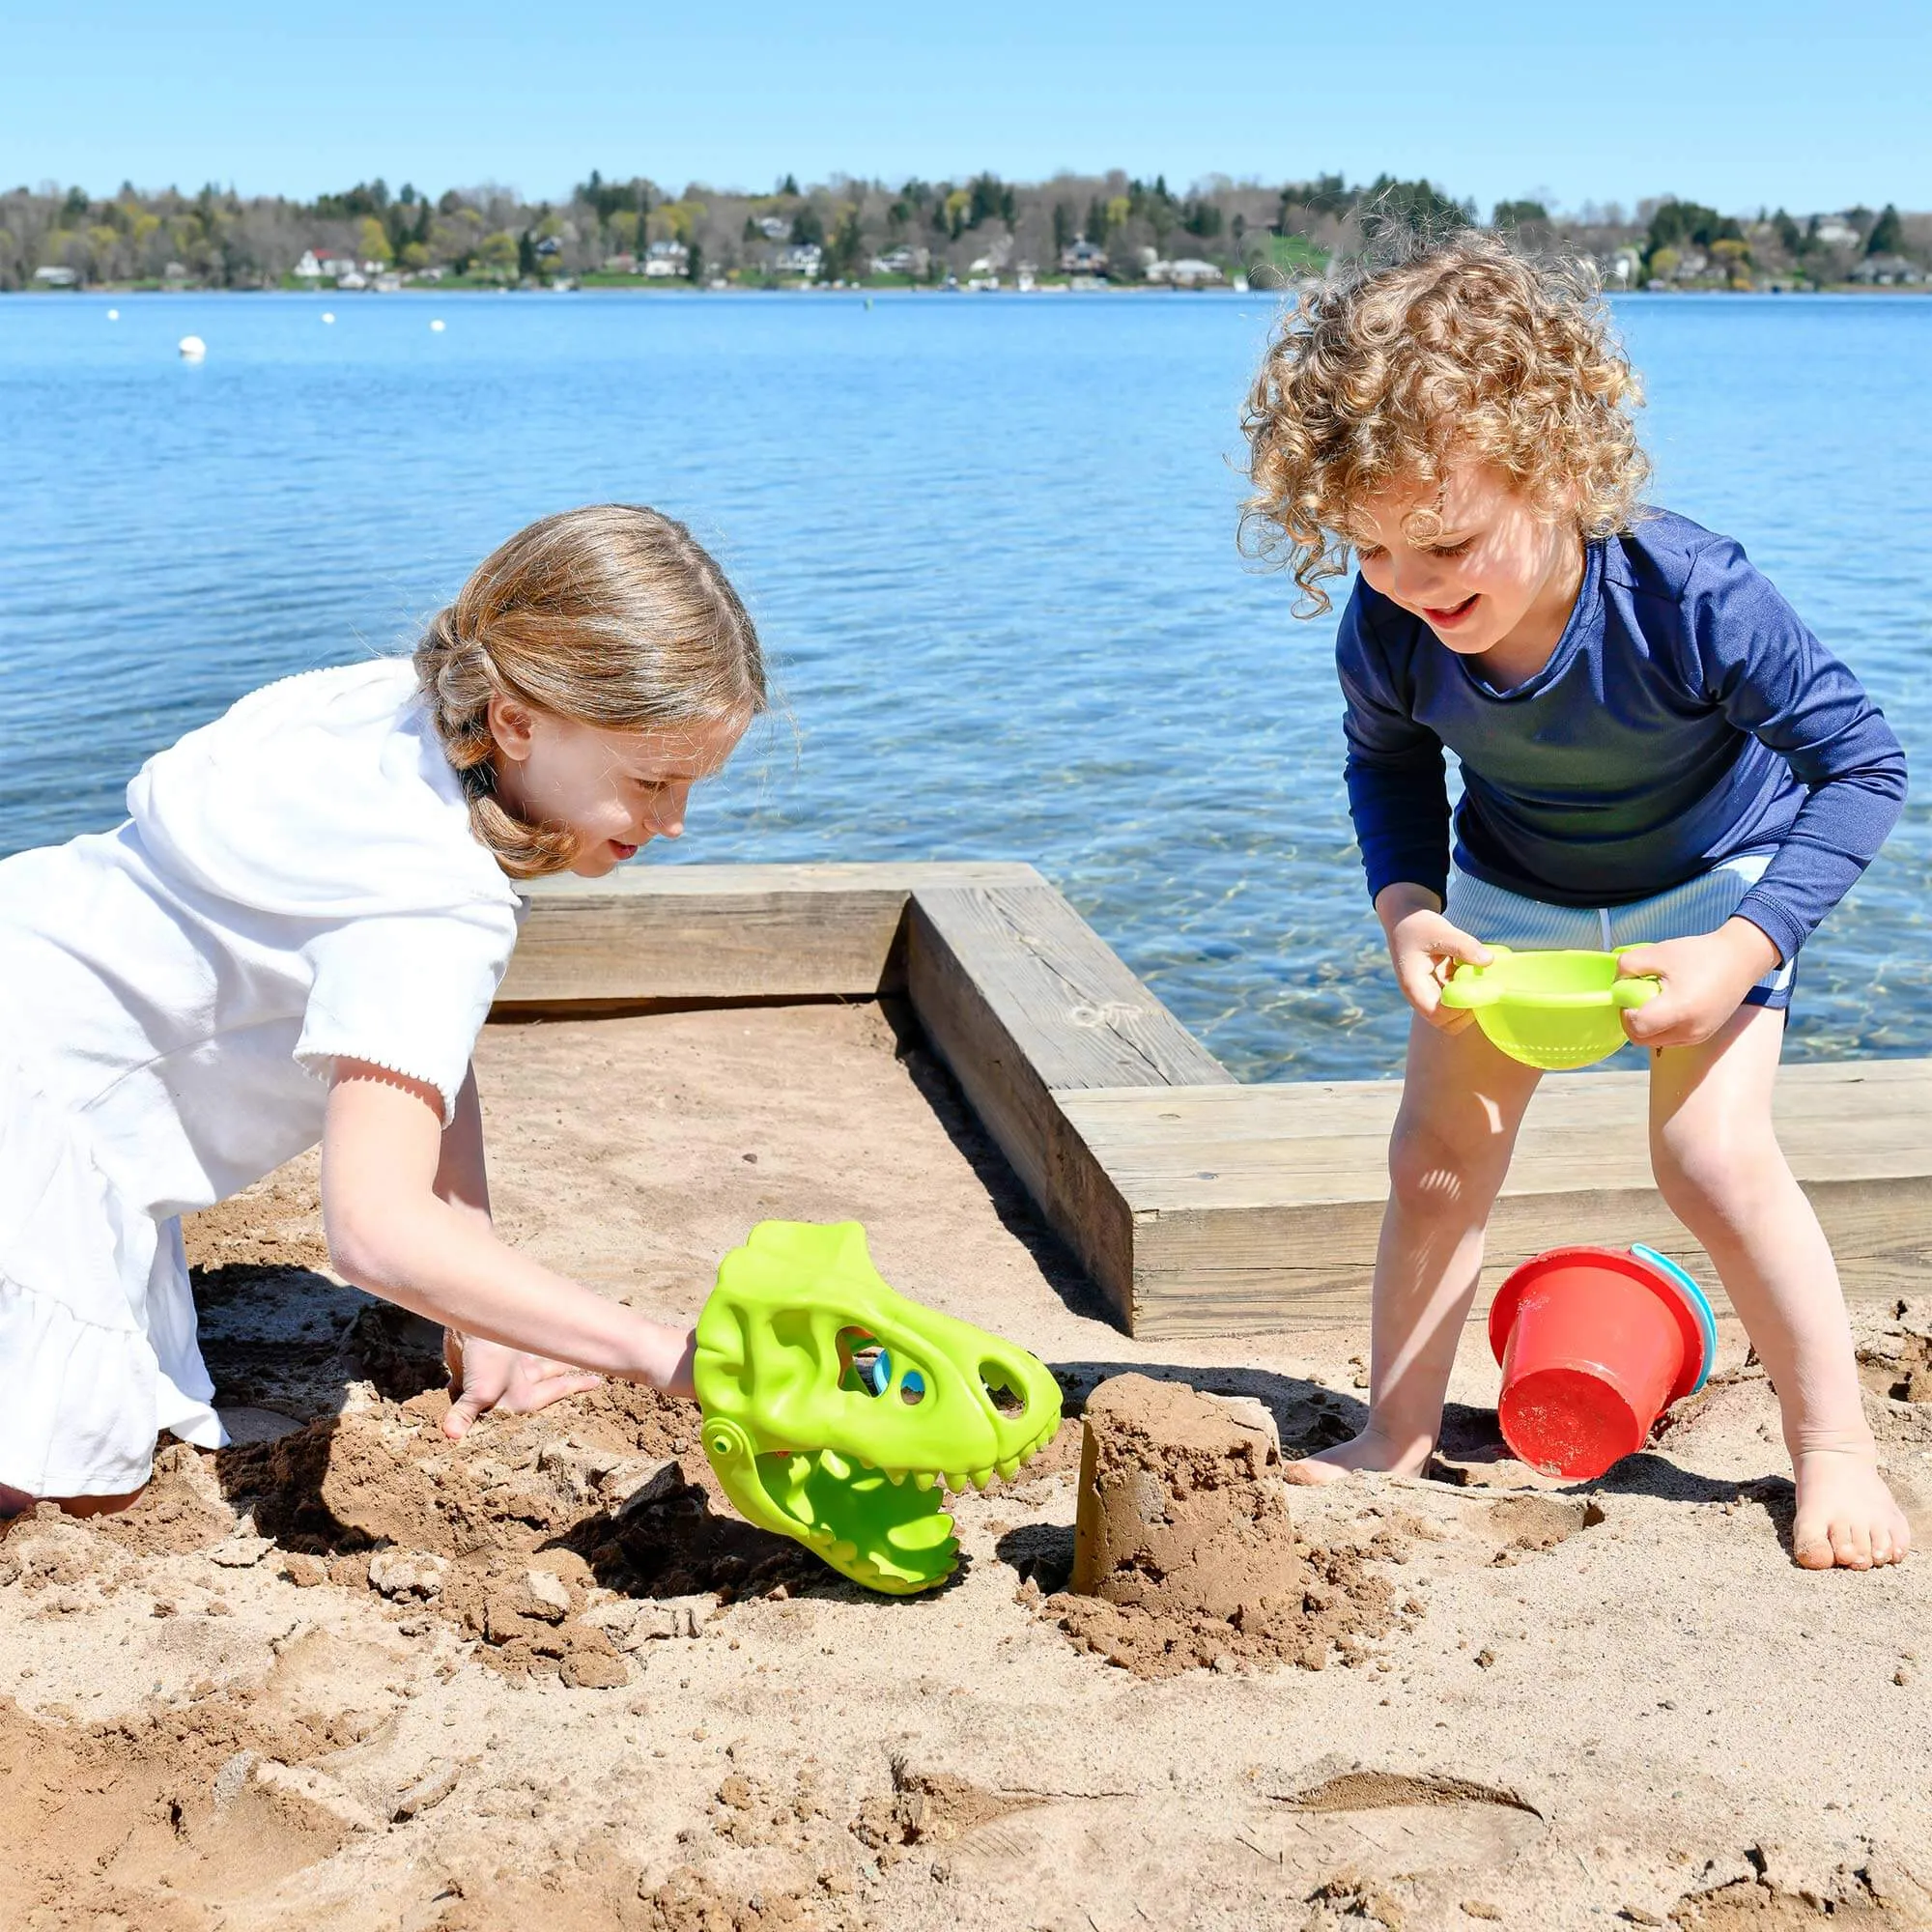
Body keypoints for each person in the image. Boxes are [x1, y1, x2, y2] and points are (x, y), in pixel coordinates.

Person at [1239, 232, 1910, 1569]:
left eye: (1445, 542)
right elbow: (1385, 760)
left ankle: (1833, 1445)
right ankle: (1398, 1435)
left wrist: (1741, 948)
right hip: (1508, 898)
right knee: (1433, 1162)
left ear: (1555, 470)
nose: (1413, 588)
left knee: (1710, 1157)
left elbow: (1865, 765)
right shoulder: (1386, 626)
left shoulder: (1692, 596)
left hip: (1714, 887)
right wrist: (1408, 907)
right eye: (1368, 548)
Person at [0, 504, 762, 1520]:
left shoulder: (403, 711)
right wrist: (662, 1354)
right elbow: (374, 1232)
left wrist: (483, 1286)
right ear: (521, 719)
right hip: (35, 1110)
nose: (671, 823)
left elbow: (419, 1044)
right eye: (650, 780)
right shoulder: (434, 900)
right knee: (73, 1482)